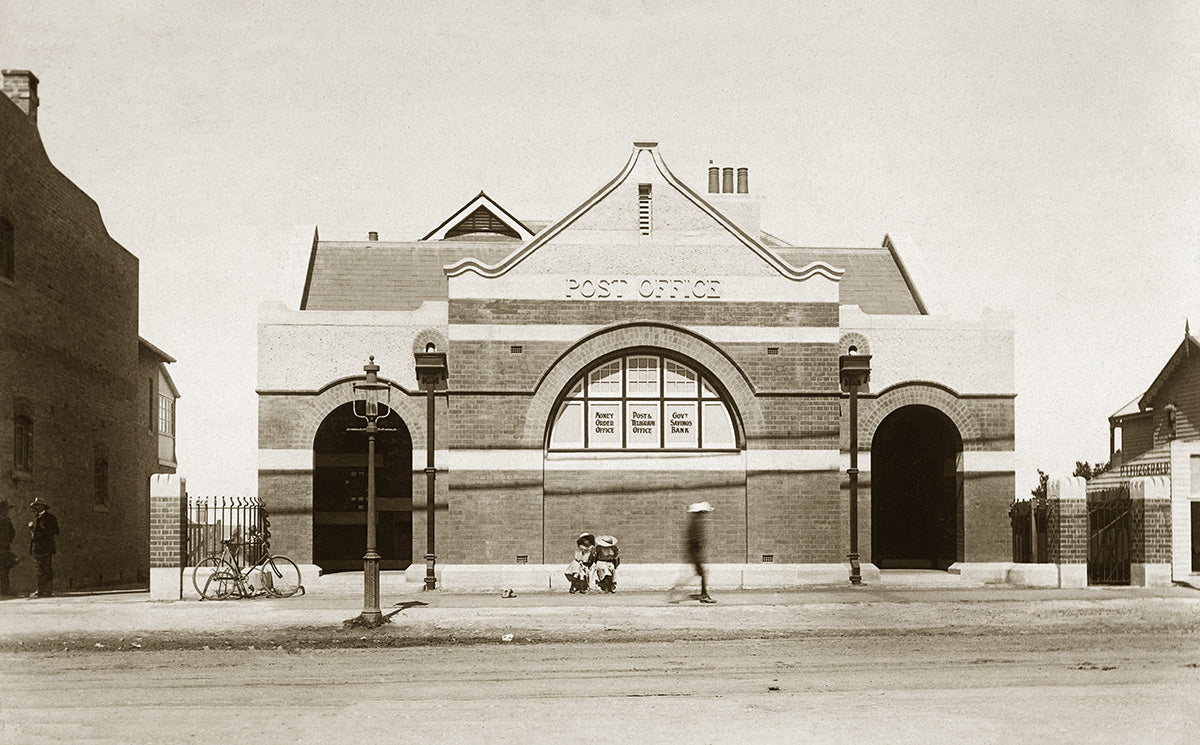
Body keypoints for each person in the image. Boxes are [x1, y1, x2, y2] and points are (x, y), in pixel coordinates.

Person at [670, 502, 715, 604]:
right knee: (701, 573)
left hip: (694, 553)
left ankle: (674, 593)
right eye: (703, 512)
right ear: (699, 512)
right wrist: (700, 548)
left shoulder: (695, 522)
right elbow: (694, 540)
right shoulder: (696, 523)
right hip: (695, 553)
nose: (704, 514)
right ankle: (703, 596)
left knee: (699, 573)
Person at [28, 498, 59, 598]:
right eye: (34, 506)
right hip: (37, 547)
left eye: (37, 506)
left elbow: (56, 531)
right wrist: (32, 530)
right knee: (39, 569)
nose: (35, 508)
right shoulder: (35, 518)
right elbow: (34, 535)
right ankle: (40, 590)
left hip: (46, 547)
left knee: (47, 569)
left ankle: (48, 590)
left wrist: (43, 528)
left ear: (42, 507)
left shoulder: (50, 518)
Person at [0, 500, 15, 597]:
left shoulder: (7, 520)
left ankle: (5, 590)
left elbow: (12, 532)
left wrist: (9, 539)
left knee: (5, 569)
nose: (6, 511)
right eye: (4, 509)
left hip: (5, 547)